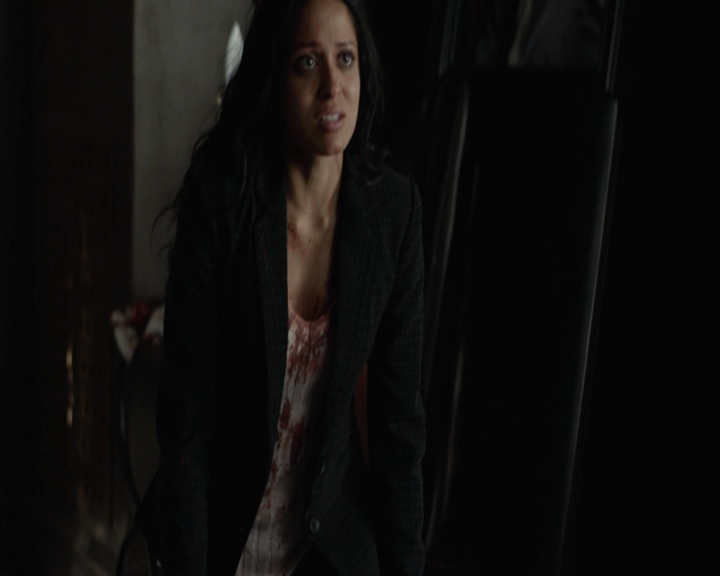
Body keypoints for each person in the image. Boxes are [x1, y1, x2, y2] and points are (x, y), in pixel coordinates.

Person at [135, 0, 425, 574]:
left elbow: (399, 430)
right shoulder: (224, 207)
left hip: (326, 548)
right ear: (275, 78)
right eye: (307, 63)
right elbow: (187, 432)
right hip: (217, 538)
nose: (332, 86)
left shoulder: (393, 215)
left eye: (345, 59)